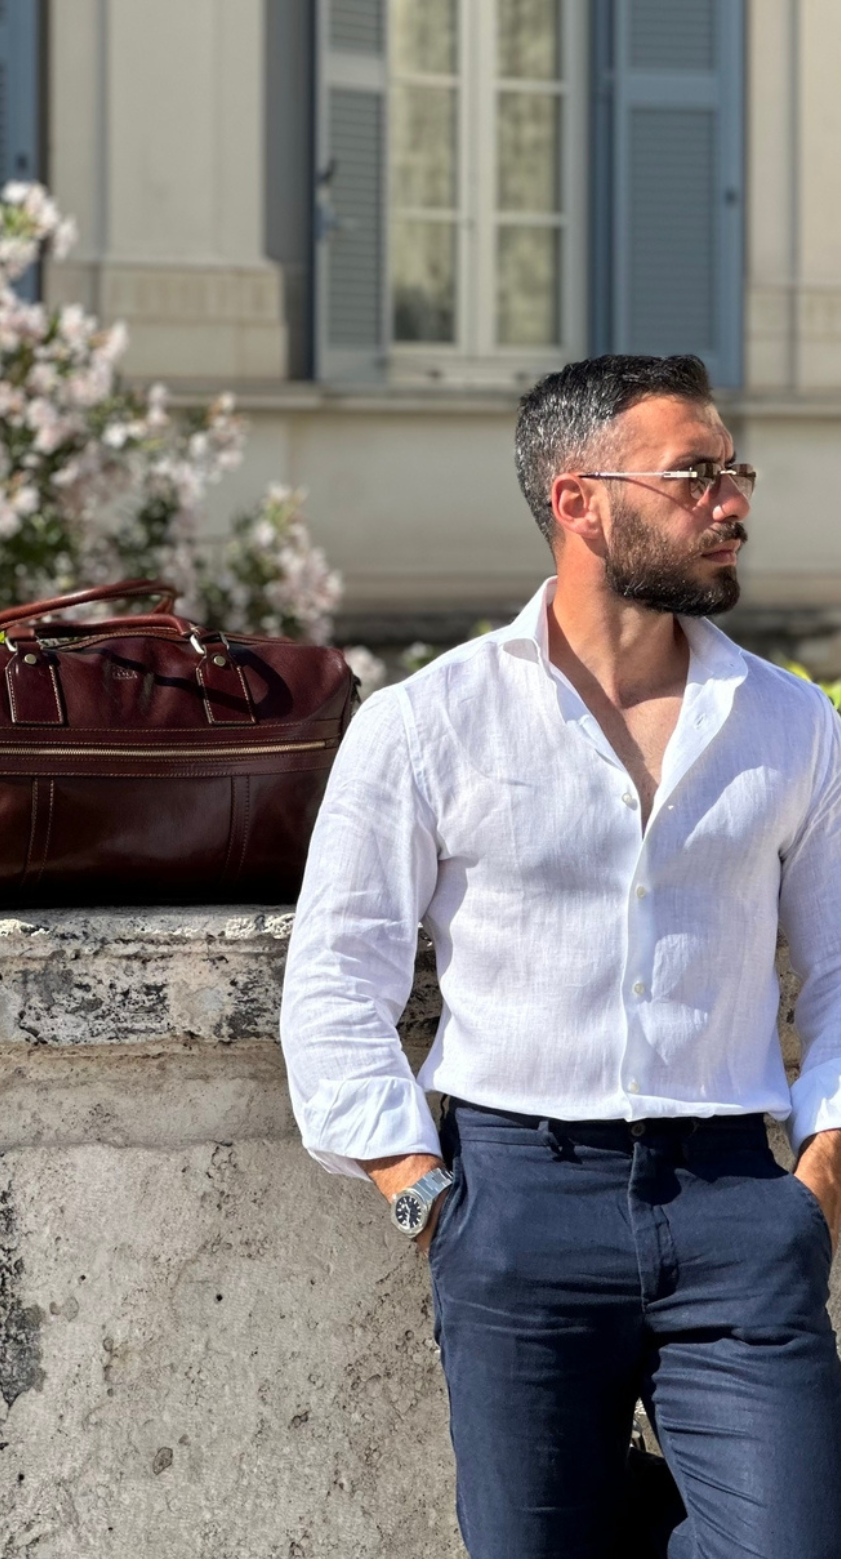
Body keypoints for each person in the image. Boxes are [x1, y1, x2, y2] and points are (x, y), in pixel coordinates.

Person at [279, 354, 841, 1559]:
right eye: (694, 474)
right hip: (515, 1204)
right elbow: (333, 982)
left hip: (737, 1205)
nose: (732, 500)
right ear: (578, 498)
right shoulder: (425, 722)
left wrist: (819, 1180)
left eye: (734, 470)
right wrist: (427, 1201)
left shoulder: (792, 721)